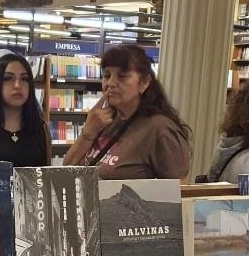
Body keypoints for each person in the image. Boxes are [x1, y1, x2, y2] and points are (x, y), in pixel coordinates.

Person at [63, 44, 191, 180]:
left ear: (144, 83)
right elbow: (66, 171)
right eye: (106, 76)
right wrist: (88, 133)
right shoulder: (104, 120)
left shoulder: (160, 129)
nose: (111, 83)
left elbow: (179, 189)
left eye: (122, 77)